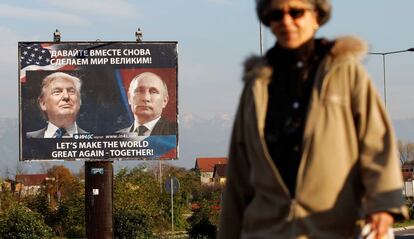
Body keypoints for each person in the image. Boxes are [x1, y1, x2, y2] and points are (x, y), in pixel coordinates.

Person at [218, 0, 407, 238]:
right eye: (277, 14)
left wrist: (383, 206)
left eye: (296, 12)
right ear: (268, 21)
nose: (287, 21)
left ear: (316, 16)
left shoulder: (345, 73)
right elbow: (239, 172)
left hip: (335, 226)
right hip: (267, 229)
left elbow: (377, 142)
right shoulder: (256, 85)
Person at [26, 72, 87, 138]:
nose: (66, 96)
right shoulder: (28, 138)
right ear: (43, 103)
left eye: (71, 91)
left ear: (79, 102)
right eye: (57, 92)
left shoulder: (93, 139)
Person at [117, 72, 176, 136]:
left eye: (153, 92)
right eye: (140, 91)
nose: (145, 98)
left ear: (165, 101)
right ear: (129, 98)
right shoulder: (117, 136)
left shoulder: (177, 132)